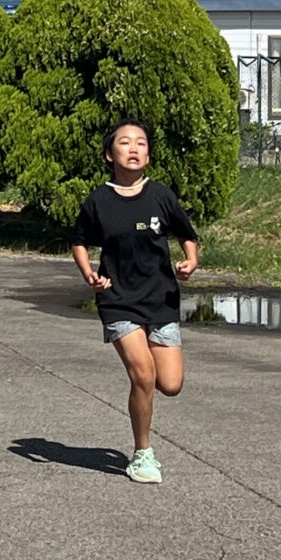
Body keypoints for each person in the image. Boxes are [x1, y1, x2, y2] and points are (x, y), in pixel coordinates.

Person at [70, 119, 199, 485]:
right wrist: (89, 275)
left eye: (140, 143)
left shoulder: (161, 196)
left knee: (170, 383)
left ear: (148, 153)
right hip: (118, 299)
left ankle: (143, 415)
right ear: (110, 154)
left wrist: (190, 261)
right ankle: (143, 453)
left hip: (161, 298)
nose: (133, 148)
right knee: (143, 375)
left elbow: (187, 236)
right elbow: (79, 241)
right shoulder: (99, 200)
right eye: (124, 143)